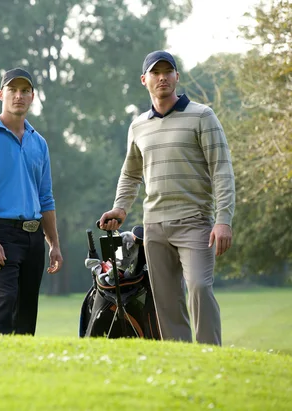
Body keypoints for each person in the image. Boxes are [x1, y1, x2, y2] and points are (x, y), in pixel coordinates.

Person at [99, 51, 235, 346]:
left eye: (168, 71)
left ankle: (210, 354)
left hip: (195, 222)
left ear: (176, 76)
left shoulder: (202, 116)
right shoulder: (138, 126)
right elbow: (130, 173)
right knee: (166, 301)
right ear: (144, 80)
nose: (162, 77)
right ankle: (181, 358)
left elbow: (222, 170)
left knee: (199, 287)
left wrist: (223, 220)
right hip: (154, 227)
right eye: (155, 72)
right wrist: (120, 208)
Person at [0, 67, 63, 335]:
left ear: (32, 97)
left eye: (24, 91)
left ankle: (21, 371)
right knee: (5, 302)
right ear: (1, 94)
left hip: (34, 237)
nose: (18, 96)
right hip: (2, 235)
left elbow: (46, 197)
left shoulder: (38, 143)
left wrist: (53, 243)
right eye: (12, 90)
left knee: (27, 309)